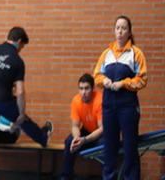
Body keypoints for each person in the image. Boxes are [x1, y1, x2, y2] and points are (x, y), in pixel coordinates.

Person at [0, 26, 53, 180]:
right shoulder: (17, 61)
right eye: (22, 46)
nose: (21, 50)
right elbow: (20, 91)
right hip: (4, 101)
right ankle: (42, 138)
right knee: (24, 121)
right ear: (19, 41)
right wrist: (20, 114)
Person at [94, 16, 147, 180]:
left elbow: (142, 80)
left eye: (124, 28)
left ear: (129, 32)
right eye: (117, 28)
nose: (120, 31)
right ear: (114, 30)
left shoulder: (136, 54)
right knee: (109, 148)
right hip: (109, 107)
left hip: (128, 108)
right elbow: (96, 76)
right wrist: (105, 81)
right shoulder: (106, 54)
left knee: (130, 148)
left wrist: (123, 84)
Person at [60, 73, 103, 180]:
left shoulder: (100, 100)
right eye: (81, 88)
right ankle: (66, 176)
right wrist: (77, 138)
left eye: (87, 88)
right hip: (86, 131)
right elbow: (75, 126)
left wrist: (84, 140)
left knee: (106, 146)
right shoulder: (76, 100)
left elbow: (102, 128)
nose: (83, 92)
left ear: (93, 89)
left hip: (100, 133)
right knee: (69, 141)